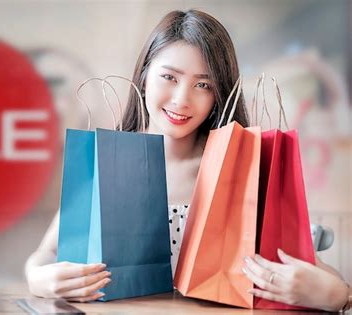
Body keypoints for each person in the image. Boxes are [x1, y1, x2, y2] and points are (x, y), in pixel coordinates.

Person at [25, 9, 350, 311]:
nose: (182, 99)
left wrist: (336, 295)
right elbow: (47, 253)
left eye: (203, 84)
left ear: (220, 93)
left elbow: (317, 274)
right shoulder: (106, 164)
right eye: (170, 77)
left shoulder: (242, 172)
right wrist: (38, 278)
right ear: (144, 75)